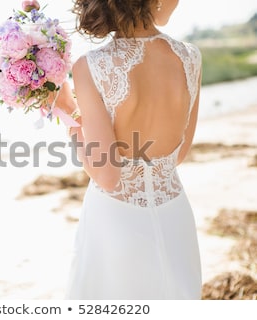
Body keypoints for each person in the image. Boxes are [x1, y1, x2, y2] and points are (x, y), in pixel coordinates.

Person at [54, 0, 203, 299]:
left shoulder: (90, 66)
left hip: (116, 220)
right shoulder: (190, 57)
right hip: (176, 215)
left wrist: (69, 116)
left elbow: (107, 176)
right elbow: (179, 154)